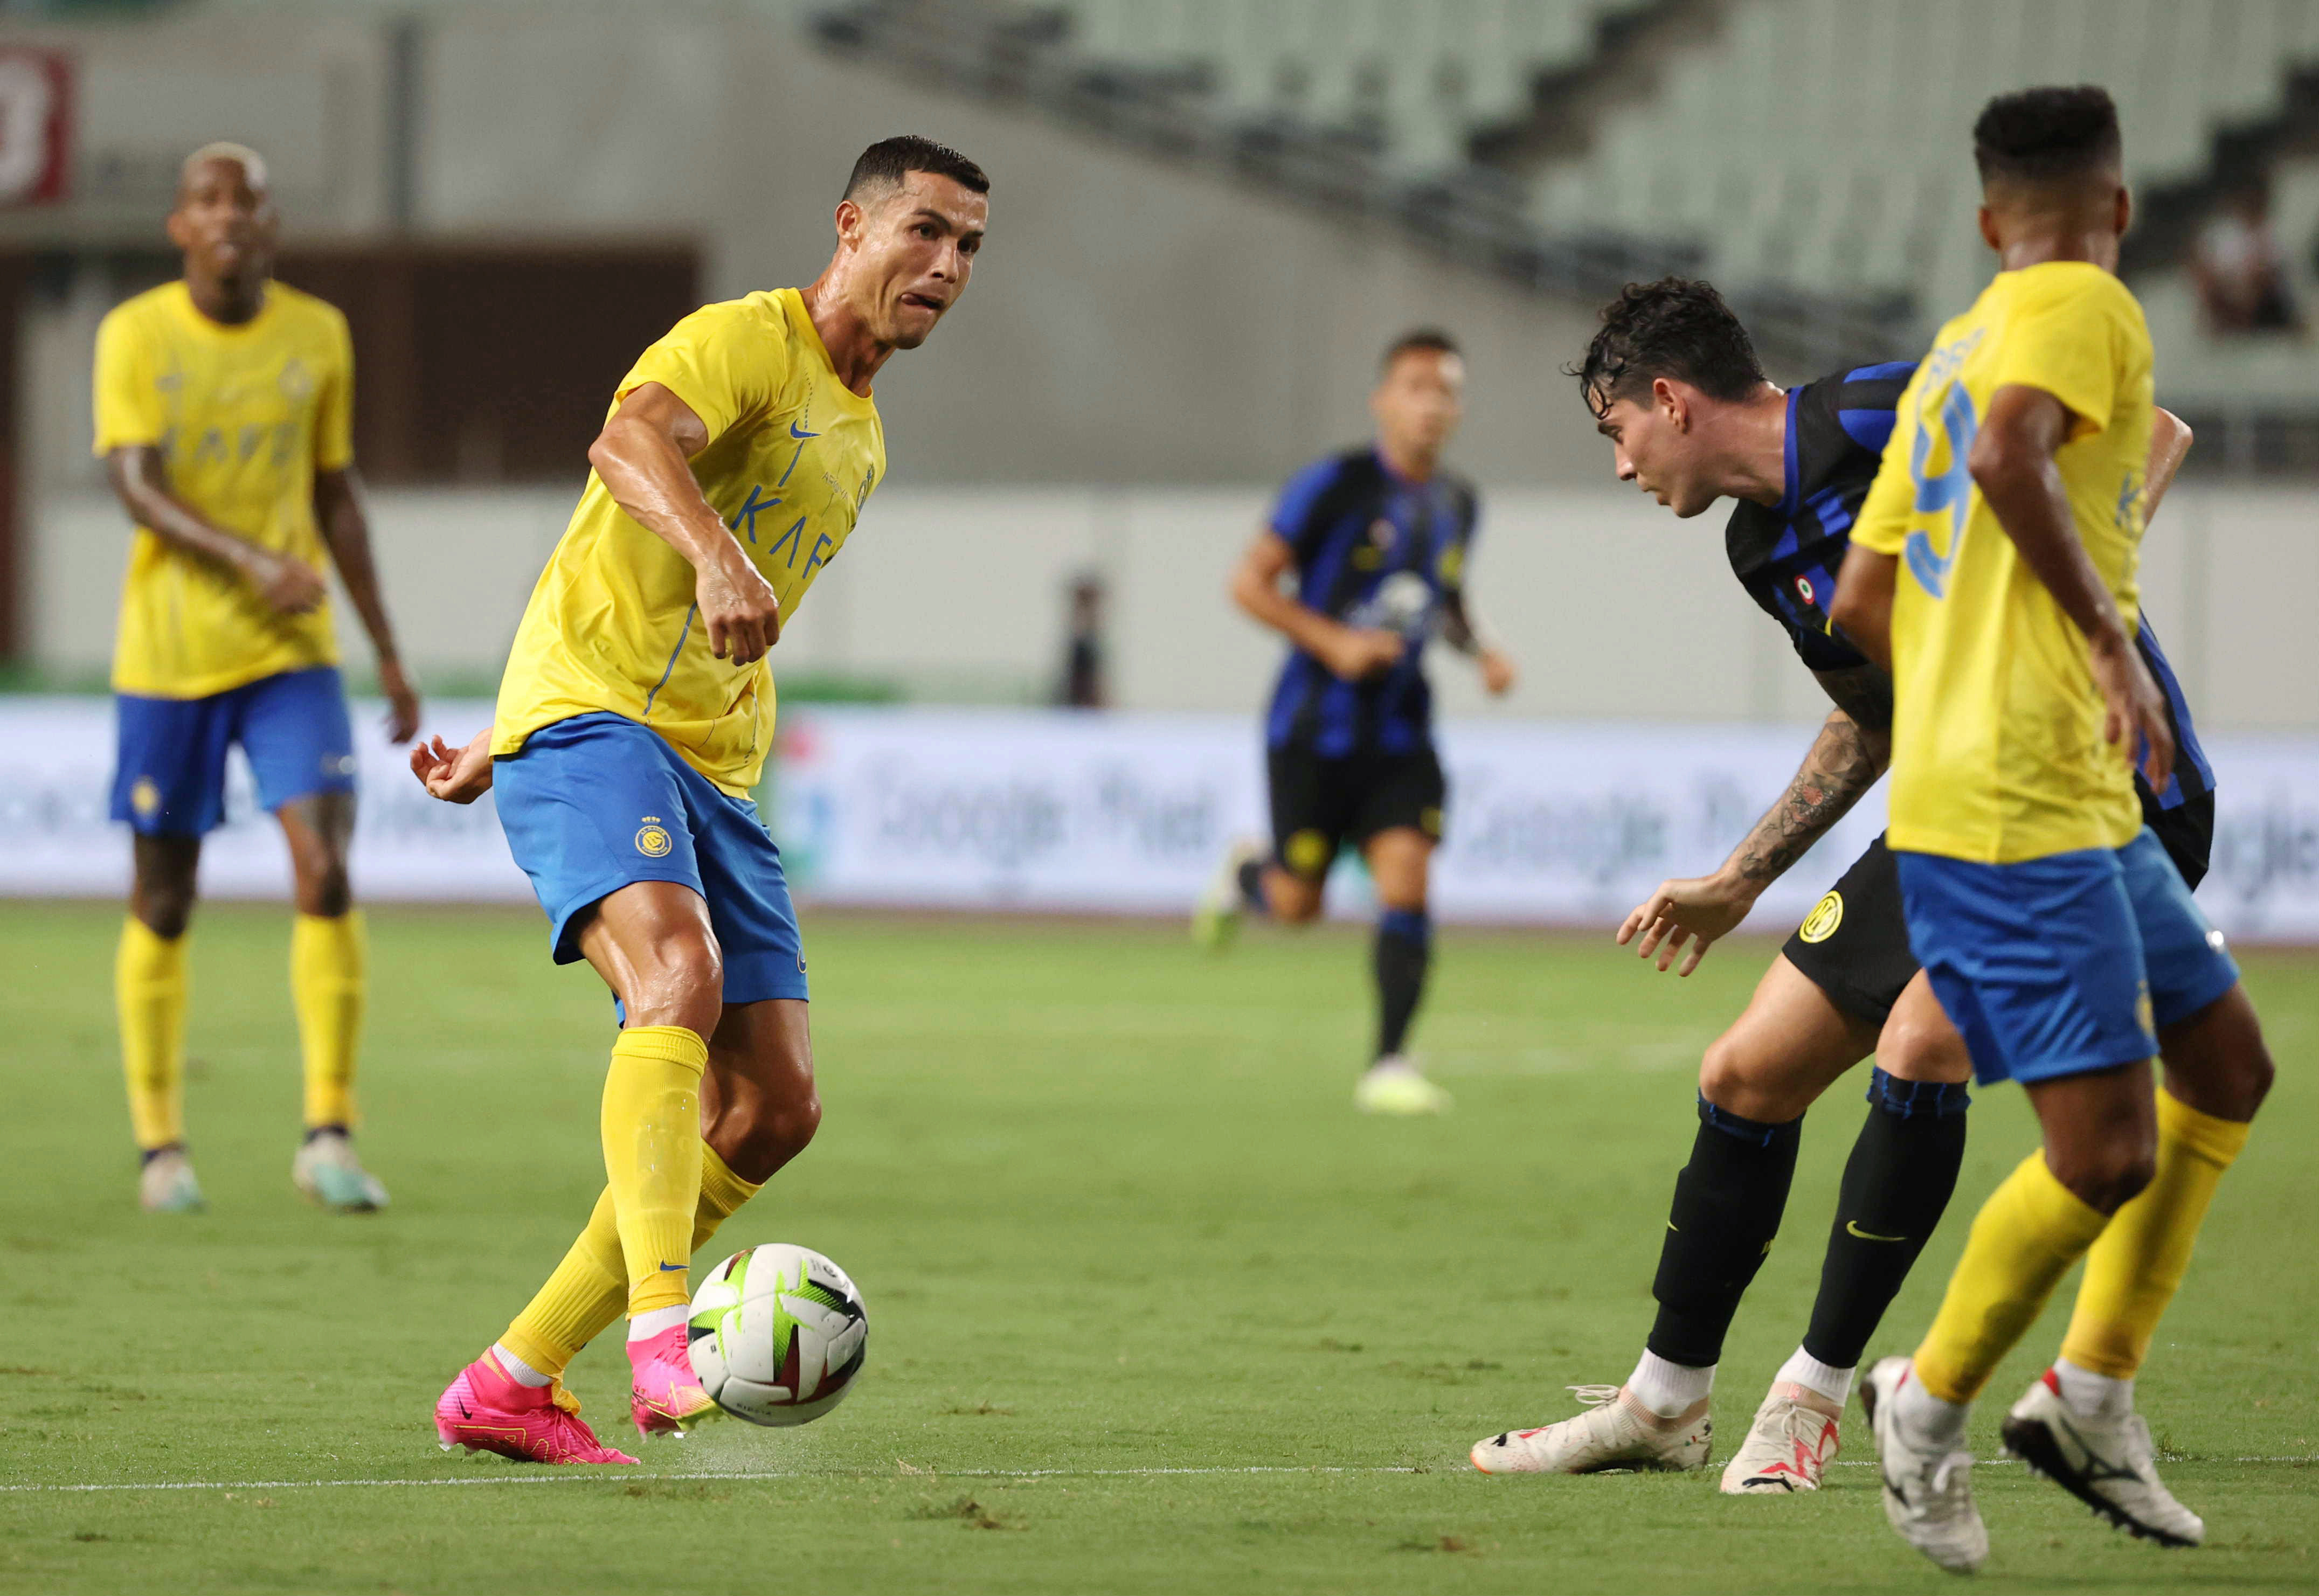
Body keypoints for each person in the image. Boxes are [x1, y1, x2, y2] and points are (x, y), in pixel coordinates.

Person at [1469, 277, 2218, 1494]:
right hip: (1959, 811)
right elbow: (1873, 722)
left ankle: (1812, 1397)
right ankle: (1662, 1401)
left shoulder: (1885, 410)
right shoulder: (1758, 546)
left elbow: (2153, 431)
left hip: (2106, 800)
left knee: (1919, 1045)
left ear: (1668, 399)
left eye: (1616, 433)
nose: (1621, 466)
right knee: (1743, 1071)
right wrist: (1738, 875)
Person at [408, 135, 989, 1466]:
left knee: (778, 1107)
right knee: (680, 976)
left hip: (712, 763)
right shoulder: (742, 340)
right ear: (852, 225)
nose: (946, 266)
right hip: (596, 716)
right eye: (925, 232)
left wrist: (497, 743)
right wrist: (705, 572)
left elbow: (646, 593)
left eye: (967, 247)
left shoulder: (864, 434)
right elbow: (624, 446)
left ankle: (510, 1379)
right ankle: (663, 1331)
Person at [1831, 86, 2272, 1572]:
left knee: (2227, 1062)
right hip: (2025, 804)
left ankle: (2090, 1396)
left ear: (1982, 220)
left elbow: (1860, 603)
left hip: (2030, 795)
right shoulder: (2085, 302)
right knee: (2104, 1152)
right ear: (2122, 205)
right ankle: (1931, 1401)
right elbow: (2022, 456)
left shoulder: (1953, 349)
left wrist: (1967, 684)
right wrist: (2103, 641)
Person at [98, 142, 419, 1216]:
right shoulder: (135, 334)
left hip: (291, 655)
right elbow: (135, 485)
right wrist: (251, 562)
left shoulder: (318, 334)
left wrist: (385, 644)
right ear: (181, 227)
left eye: (248, 199)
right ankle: (161, 1146)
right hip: (171, 653)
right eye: (207, 199)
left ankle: (329, 1130)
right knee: (165, 896)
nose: (229, 213)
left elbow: (336, 493)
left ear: (272, 225)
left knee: (325, 869)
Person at [1194, 330, 1517, 1115]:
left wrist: (1479, 650)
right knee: (1298, 907)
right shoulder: (1333, 486)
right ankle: (1248, 875)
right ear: (1383, 399)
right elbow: (1248, 583)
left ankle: (1390, 1062)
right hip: (1312, 730)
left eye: (1445, 390)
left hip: (1400, 732)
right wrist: (1333, 641)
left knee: (1406, 877)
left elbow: (1440, 597)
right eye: (1416, 386)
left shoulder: (1458, 502)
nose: (1431, 404)